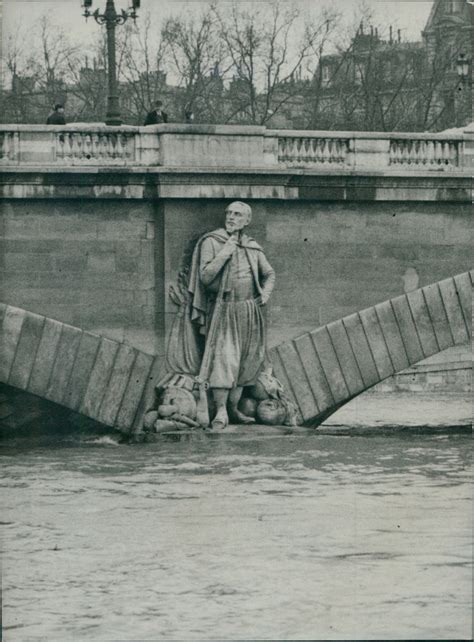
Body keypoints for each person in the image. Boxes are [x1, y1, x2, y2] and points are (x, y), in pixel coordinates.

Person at [188, 201, 275, 429]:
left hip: (249, 310)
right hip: (225, 309)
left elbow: (269, 273)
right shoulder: (212, 242)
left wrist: (265, 294)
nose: (231, 217)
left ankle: (233, 409)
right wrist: (226, 251)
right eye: (228, 213)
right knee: (226, 359)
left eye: (237, 214)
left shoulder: (251, 246)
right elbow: (205, 277)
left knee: (246, 361)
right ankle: (219, 411)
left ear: (247, 220)